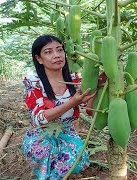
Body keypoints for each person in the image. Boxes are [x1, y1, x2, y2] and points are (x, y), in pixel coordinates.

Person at [21, 35, 96, 179]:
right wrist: (72, 103)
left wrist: (95, 87)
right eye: (48, 52)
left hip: (67, 131)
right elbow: (39, 118)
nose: (56, 55)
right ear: (39, 59)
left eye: (59, 50)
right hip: (40, 133)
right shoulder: (33, 82)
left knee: (78, 160)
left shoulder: (75, 80)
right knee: (44, 152)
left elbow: (90, 110)